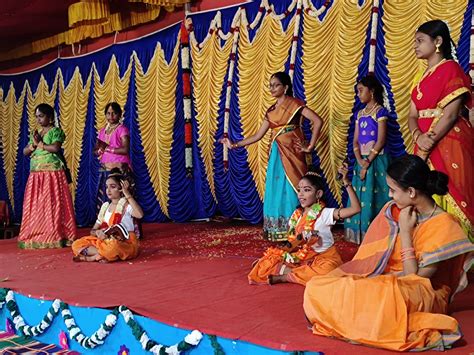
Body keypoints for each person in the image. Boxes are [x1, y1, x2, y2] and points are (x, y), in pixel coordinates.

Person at [303, 155, 474, 352]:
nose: (390, 196)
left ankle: (364, 320)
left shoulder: (443, 223)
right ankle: (368, 317)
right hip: (387, 281)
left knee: (381, 297)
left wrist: (406, 232)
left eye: (393, 190)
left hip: (421, 292)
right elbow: (372, 262)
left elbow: (414, 279)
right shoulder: (392, 211)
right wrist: (370, 280)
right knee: (318, 286)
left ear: (411, 192)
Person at [220, 72, 323, 241]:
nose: (272, 88)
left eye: (276, 85)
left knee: (294, 188)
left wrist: (310, 146)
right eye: (270, 85)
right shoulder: (271, 111)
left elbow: (318, 121)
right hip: (277, 154)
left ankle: (299, 228)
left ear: (286, 87)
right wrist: (234, 144)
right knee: (276, 190)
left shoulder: (295, 105)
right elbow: (257, 136)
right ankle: (279, 231)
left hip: (293, 153)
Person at [408, 20, 473, 240]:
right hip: (423, 142)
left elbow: (451, 114)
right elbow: (412, 115)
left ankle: (461, 252)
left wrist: (430, 139)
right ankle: (436, 246)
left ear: (437, 42)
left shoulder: (451, 68)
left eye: (420, 41)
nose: (415, 46)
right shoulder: (419, 78)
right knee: (425, 191)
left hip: (449, 140)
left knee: (456, 190)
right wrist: (419, 137)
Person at [248, 164, 361, 285]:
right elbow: (293, 243)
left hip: (325, 260)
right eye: (299, 190)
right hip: (305, 258)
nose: (301, 194)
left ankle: (286, 276)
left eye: (307, 190)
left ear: (318, 194)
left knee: (328, 273)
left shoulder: (325, 213)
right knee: (266, 263)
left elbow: (356, 209)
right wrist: (279, 254)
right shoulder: (297, 215)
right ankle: (294, 271)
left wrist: (346, 181)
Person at [18, 103, 76, 249]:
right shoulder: (36, 133)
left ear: (50, 118)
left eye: (41, 116)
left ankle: (55, 233)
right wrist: (33, 145)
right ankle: (38, 231)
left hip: (52, 173)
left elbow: (55, 148)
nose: (38, 120)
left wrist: (40, 145)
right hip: (36, 174)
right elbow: (25, 152)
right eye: (37, 117)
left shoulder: (55, 131)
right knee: (37, 204)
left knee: (52, 203)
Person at [345, 75, 391, 244]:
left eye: (361, 90)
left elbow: (381, 140)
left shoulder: (380, 112)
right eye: (357, 91)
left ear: (371, 91)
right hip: (362, 161)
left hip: (376, 160)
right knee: (359, 196)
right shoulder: (360, 114)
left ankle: (377, 235)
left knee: (375, 195)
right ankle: (359, 235)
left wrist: (368, 161)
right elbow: (355, 140)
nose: (358, 94)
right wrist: (359, 161)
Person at [71, 169, 143, 262]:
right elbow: (93, 231)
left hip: (125, 242)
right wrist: (98, 232)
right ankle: (103, 255)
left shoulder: (125, 205)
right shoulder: (105, 207)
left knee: (113, 247)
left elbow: (140, 215)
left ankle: (94, 257)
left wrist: (127, 194)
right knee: (77, 244)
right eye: (107, 187)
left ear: (121, 188)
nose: (108, 190)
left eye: (112, 187)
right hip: (105, 241)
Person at [94, 102, 131, 208]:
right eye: (108, 113)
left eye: (114, 113)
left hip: (119, 170)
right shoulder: (102, 131)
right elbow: (97, 149)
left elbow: (125, 149)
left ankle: (121, 221)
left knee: (121, 198)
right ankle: (107, 220)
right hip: (105, 169)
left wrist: (108, 148)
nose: (111, 116)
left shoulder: (122, 129)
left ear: (119, 115)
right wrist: (98, 151)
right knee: (106, 198)